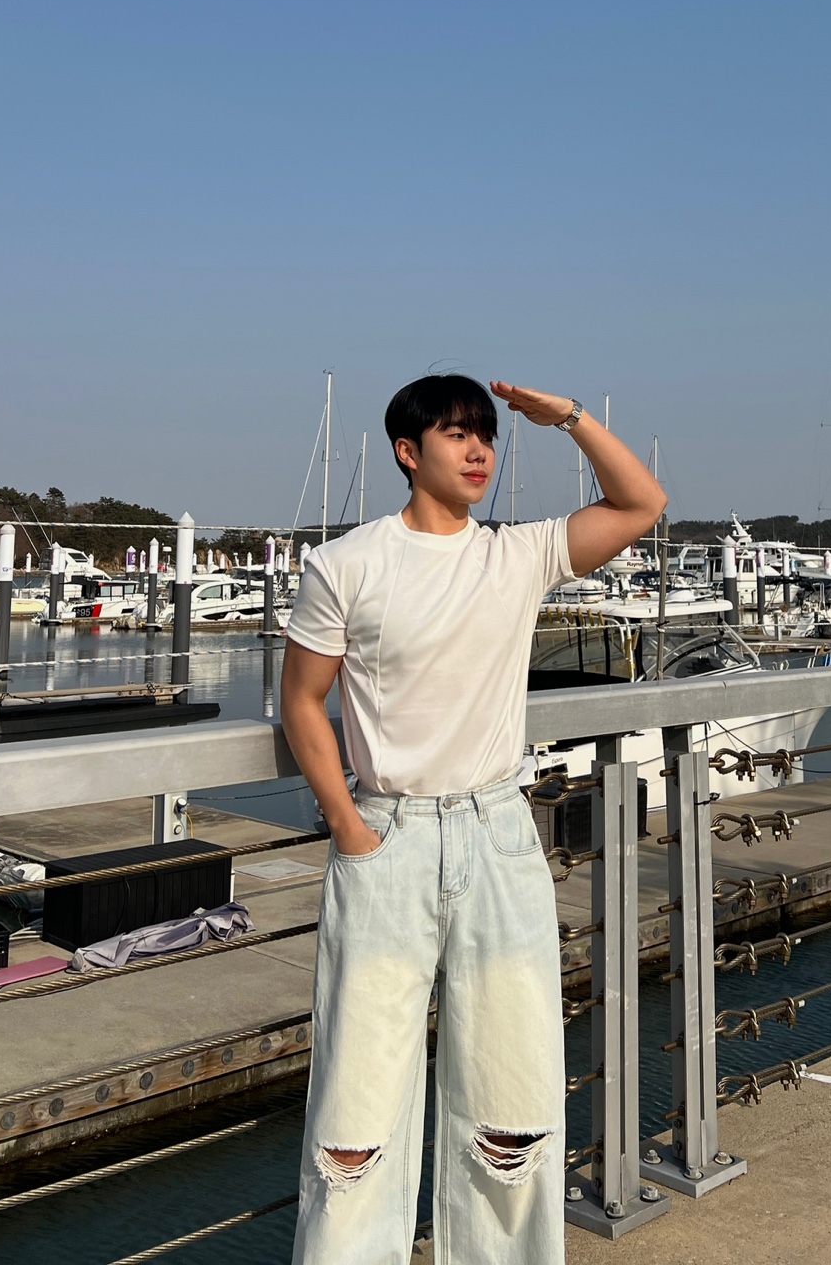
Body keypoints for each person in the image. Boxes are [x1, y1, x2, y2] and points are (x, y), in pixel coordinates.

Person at [282, 374, 666, 1265]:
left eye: (485, 434)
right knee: (356, 1102)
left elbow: (640, 503)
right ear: (407, 452)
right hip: (388, 838)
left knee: (511, 1094)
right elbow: (302, 701)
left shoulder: (516, 554)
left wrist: (567, 417)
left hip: (497, 834)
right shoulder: (346, 563)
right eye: (455, 434)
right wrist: (346, 825)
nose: (478, 450)